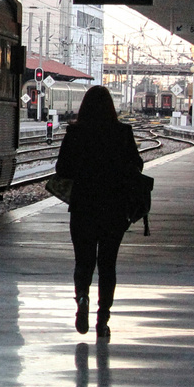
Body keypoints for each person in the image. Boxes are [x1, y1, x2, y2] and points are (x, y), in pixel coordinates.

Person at [54, 85, 143, 338]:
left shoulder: (75, 133)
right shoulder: (122, 132)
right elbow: (136, 165)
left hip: (83, 206)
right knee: (107, 264)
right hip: (114, 209)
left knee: (83, 261)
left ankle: (82, 297)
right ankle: (102, 320)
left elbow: (62, 169)